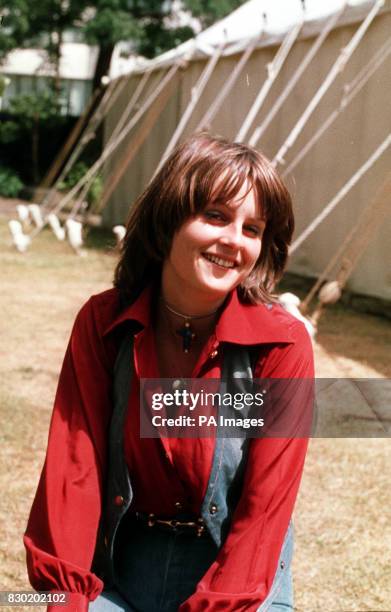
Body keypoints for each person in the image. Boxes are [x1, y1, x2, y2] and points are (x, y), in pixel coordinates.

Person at [24, 133, 314, 612]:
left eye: (252, 228)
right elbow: (75, 470)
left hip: (236, 583)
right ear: (169, 217)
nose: (232, 241)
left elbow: (266, 507)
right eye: (216, 215)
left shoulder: (282, 345)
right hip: (122, 570)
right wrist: (68, 600)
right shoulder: (102, 324)